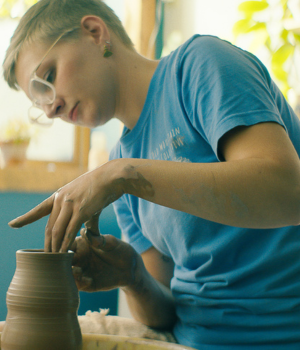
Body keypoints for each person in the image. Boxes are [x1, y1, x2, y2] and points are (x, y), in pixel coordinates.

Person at [3, 0, 300, 348]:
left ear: (95, 33)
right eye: (39, 102)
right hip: (189, 340)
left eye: (48, 78)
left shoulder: (200, 65)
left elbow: (288, 193)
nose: (50, 107)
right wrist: (132, 276)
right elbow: (168, 314)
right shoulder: (120, 163)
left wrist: (122, 176)